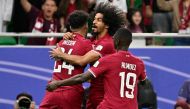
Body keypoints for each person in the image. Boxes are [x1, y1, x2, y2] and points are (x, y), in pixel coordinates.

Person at [47, 27, 147, 109]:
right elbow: (143, 82)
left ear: (116, 41)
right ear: (130, 42)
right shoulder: (139, 63)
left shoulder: (108, 60)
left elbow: (82, 78)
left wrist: (58, 83)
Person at [49, 2, 126, 109]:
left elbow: (82, 61)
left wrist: (61, 54)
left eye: (99, 20)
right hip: (93, 92)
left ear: (107, 25)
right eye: (94, 19)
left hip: (106, 94)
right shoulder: (92, 41)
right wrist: (69, 34)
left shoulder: (108, 43)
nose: (94, 22)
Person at [40, 10, 92, 109]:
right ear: (86, 25)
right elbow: (95, 70)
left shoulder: (61, 42)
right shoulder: (87, 44)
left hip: (53, 90)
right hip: (72, 92)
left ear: (70, 26)